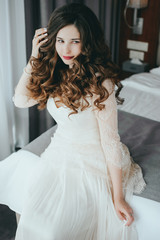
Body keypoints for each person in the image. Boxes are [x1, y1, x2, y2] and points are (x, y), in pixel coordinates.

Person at [0, 3, 145, 240]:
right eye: (60, 40)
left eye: (75, 41)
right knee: (34, 220)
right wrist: (35, 56)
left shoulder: (101, 83)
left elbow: (110, 141)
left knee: (58, 230)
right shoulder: (54, 70)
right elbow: (20, 100)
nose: (66, 49)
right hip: (59, 152)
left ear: (87, 42)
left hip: (93, 160)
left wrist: (117, 196)